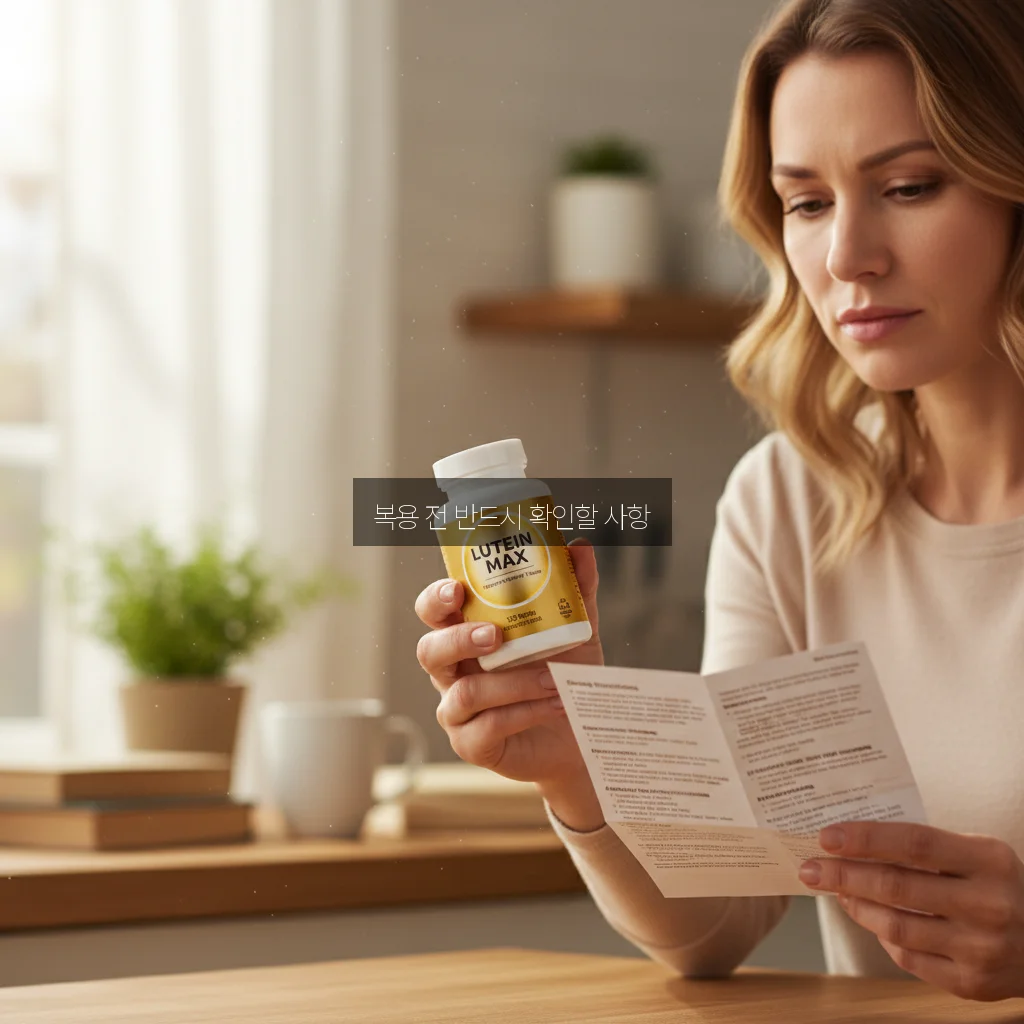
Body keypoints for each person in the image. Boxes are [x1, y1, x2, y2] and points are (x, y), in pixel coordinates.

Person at [414, 0, 1024, 1002]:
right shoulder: (787, 502)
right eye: (807, 202)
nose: (847, 256)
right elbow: (721, 921)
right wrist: (577, 763)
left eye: (909, 186)